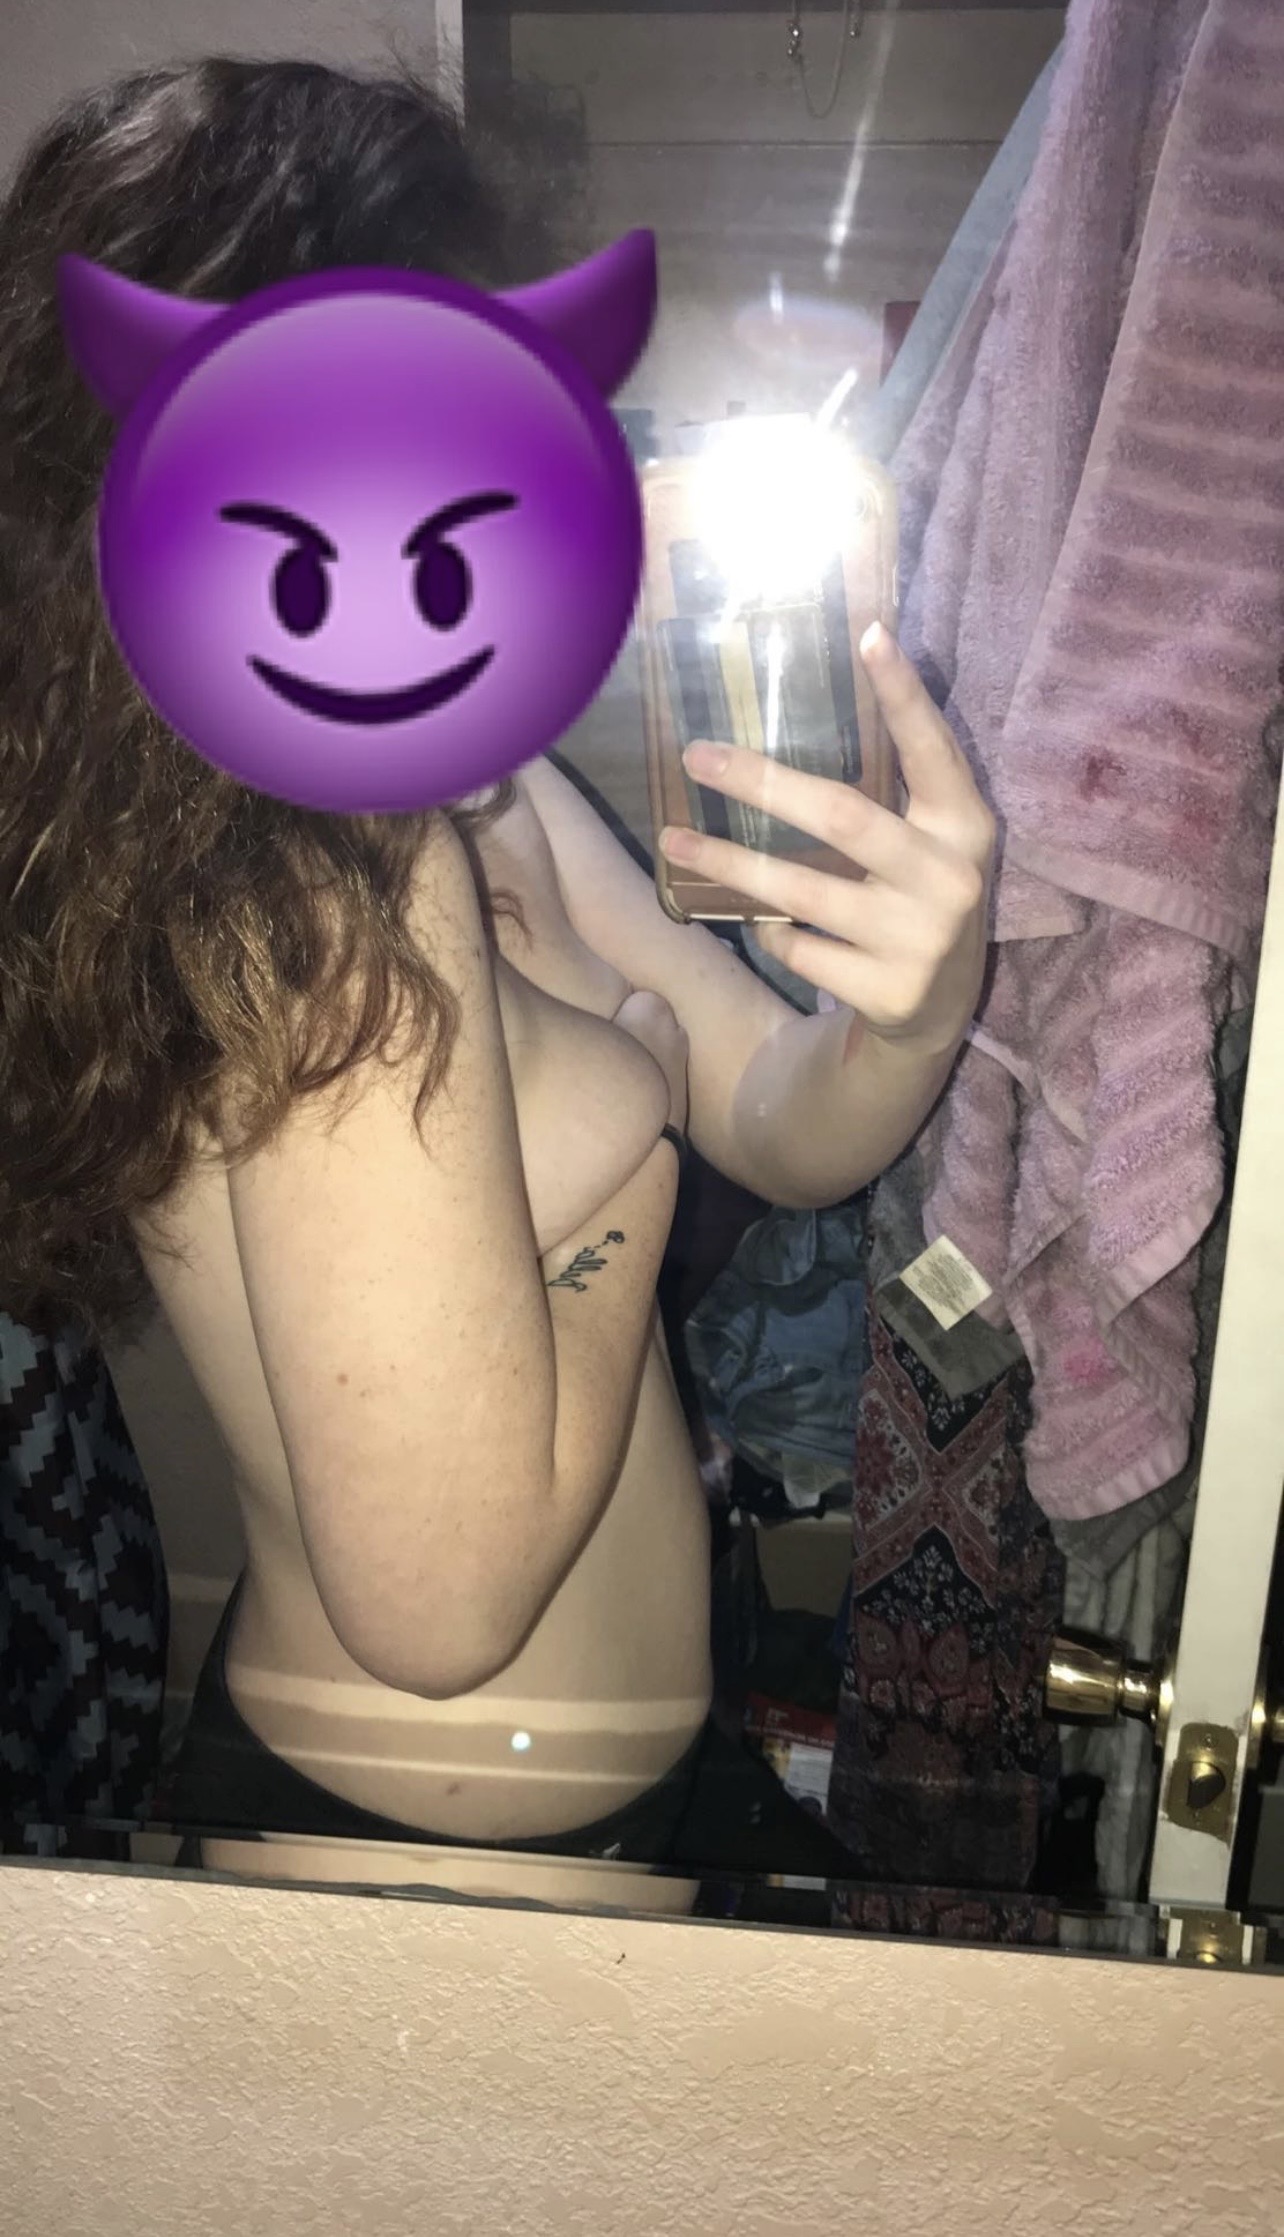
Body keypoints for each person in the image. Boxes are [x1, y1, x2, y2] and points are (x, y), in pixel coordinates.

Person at [0, 55, 994, 1887]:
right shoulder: (314, 898)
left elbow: (783, 1120)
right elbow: (443, 1603)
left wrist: (912, 1002)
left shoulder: (469, 780)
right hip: (421, 1865)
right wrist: (636, 1115)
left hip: (550, 1821)